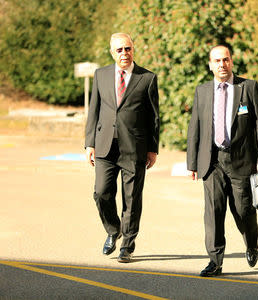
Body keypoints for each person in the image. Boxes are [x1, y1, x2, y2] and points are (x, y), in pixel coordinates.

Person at [187, 45, 258, 277]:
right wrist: (192, 162)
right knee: (213, 212)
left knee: (243, 210)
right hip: (211, 161)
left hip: (241, 160)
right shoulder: (202, 91)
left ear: (231, 62)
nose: (222, 65)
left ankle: (251, 243)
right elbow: (195, 127)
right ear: (210, 65)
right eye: (217, 61)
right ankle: (215, 261)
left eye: (225, 60)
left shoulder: (248, 87)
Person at [85, 33, 159, 263]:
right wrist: (89, 143)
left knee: (132, 198)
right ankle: (113, 229)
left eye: (128, 49)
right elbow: (94, 111)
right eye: (119, 50)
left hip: (134, 148)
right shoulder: (101, 75)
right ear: (112, 53)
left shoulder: (146, 78)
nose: (124, 53)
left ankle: (127, 245)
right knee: (101, 192)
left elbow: (153, 117)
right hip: (105, 145)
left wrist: (152, 148)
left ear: (133, 50)